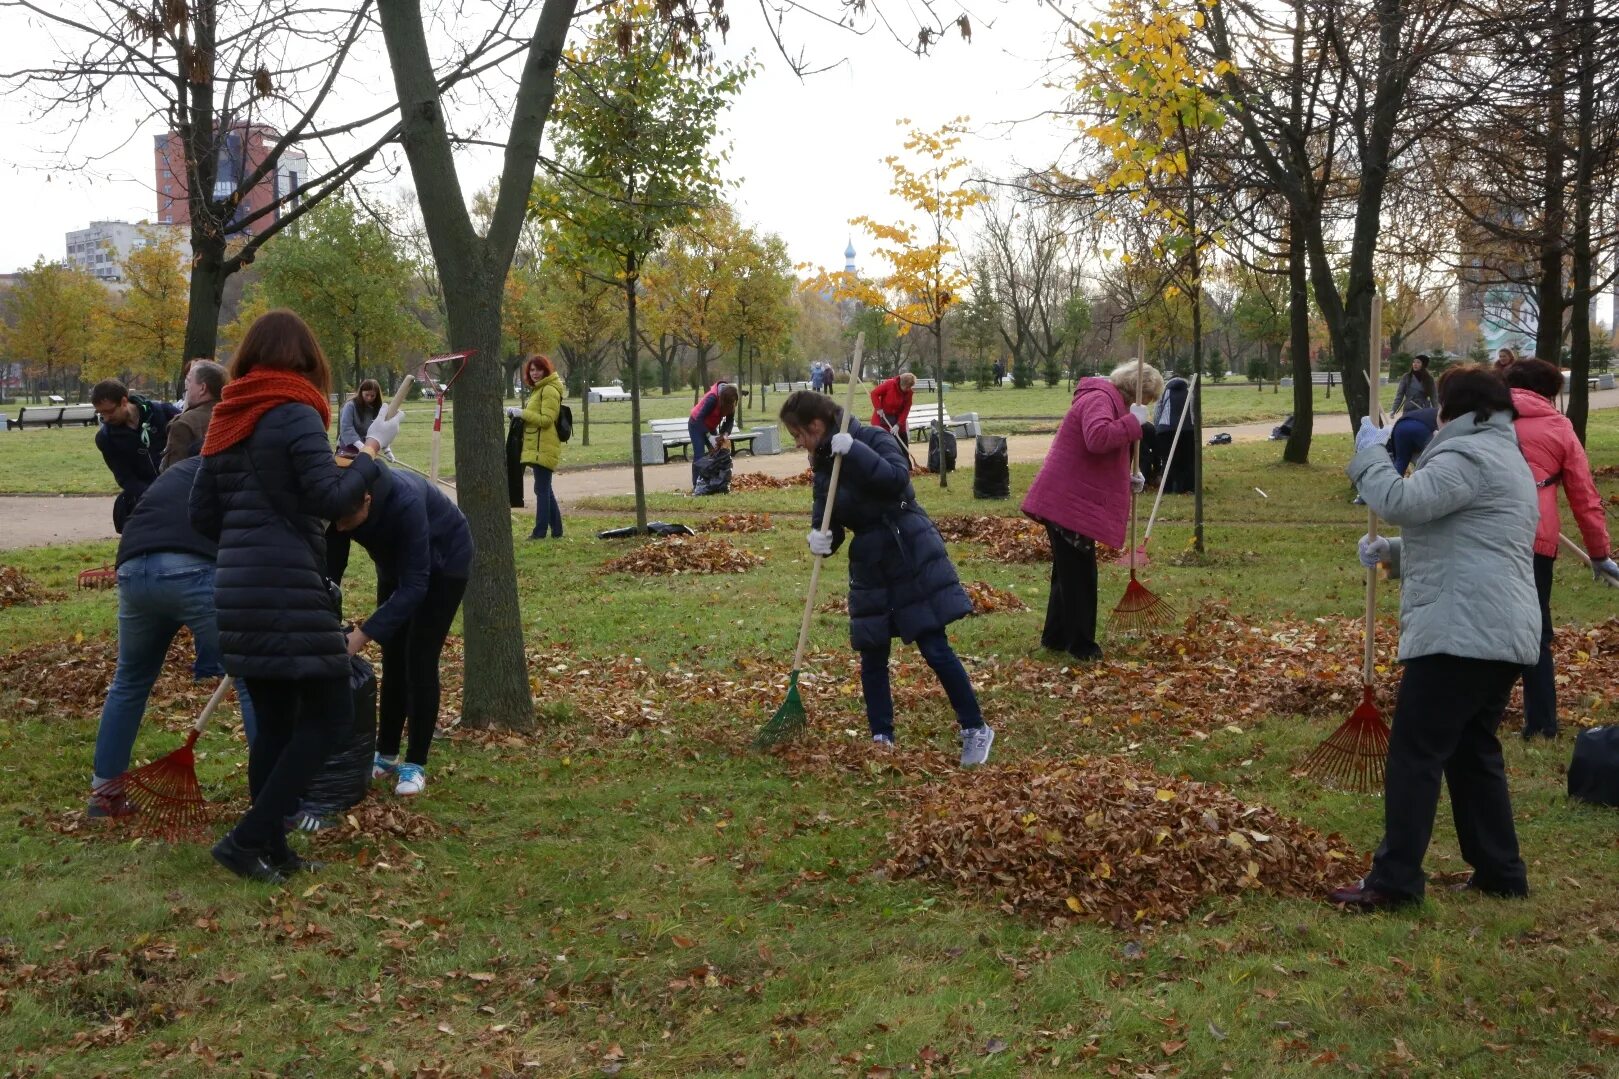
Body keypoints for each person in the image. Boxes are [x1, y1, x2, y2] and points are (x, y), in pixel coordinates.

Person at [190, 309, 402, 883]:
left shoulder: (226, 417)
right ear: (306, 359)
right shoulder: (295, 410)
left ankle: (274, 850)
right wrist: (373, 452)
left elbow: (200, 514)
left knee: (279, 726)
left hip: (237, 590)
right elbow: (332, 497)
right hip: (286, 590)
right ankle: (247, 840)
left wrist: (247, 543)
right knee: (332, 715)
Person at [1330, 365, 1541, 911]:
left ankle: (1394, 882)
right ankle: (1501, 871)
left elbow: (1403, 502)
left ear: (1454, 411)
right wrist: (1393, 554)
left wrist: (1371, 454)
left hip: (1461, 633)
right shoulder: (1505, 454)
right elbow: (1467, 540)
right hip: (1496, 630)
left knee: (1415, 753)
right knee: (1472, 751)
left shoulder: (1465, 454)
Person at [780, 390, 993, 766]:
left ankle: (975, 728)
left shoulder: (873, 438)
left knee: (933, 645)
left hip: (906, 546)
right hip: (870, 561)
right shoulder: (823, 463)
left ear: (816, 425)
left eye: (798, 434)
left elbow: (897, 479)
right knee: (872, 651)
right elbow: (828, 518)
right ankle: (882, 737)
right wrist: (821, 538)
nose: (798, 444)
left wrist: (856, 453)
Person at [88, 455, 259, 816]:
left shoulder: (182, 468)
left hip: (133, 570)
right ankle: (272, 800)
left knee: (130, 680)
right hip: (191, 569)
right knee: (251, 678)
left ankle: (104, 794)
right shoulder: (241, 470)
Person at [328, 463, 472, 797]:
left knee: (418, 659)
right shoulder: (339, 503)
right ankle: (387, 752)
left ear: (367, 500)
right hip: (395, 565)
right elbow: (331, 569)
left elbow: (416, 585)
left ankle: (415, 763)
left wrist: (362, 635)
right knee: (392, 655)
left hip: (443, 564)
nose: (339, 528)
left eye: (345, 522)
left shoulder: (405, 503)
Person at [1503, 358, 1618, 739]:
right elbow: (1584, 496)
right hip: (1536, 539)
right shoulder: (1559, 427)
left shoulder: (1483, 416)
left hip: (1483, 536)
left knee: (1483, 624)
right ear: (1550, 392)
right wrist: (1600, 554)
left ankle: (1474, 715)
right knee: (1535, 631)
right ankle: (1540, 724)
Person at [1021, 362, 1164, 663]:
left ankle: (1056, 637)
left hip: (1070, 498)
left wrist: (1128, 478)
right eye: (1147, 398)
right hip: (1066, 499)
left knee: (1067, 572)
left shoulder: (1112, 401)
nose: (1146, 404)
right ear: (1135, 389)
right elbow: (1097, 438)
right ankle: (1081, 645)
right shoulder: (1100, 398)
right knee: (1080, 574)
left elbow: (1102, 457)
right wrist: (1133, 424)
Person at [92, 378, 180, 532]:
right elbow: (125, 478)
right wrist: (154, 495)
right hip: (147, 503)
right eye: (100, 413)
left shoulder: (163, 413)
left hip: (180, 491)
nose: (105, 418)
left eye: (109, 411)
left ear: (124, 401)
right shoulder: (106, 439)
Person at [512, 354, 565, 539]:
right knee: (544, 489)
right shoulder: (539, 390)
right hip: (537, 446)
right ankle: (557, 531)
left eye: (538, 369)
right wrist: (519, 415)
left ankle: (540, 532)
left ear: (546, 370)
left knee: (541, 490)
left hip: (544, 446)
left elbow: (546, 420)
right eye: (532, 370)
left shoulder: (549, 390)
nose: (535, 373)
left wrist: (523, 414)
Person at [162, 359, 225, 470]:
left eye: (189, 381)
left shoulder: (183, 424)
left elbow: (173, 473)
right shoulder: (232, 415)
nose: (186, 387)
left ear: (202, 388)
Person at [688, 381, 738, 490]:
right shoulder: (712, 398)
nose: (728, 409)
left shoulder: (731, 400)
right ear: (722, 400)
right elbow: (700, 419)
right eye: (726, 407)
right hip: (696, 424)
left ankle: (715, 483)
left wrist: (724, 435)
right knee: (699, 455)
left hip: (710, 426)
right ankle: (697, 486)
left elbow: (729, 422)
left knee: (717, 453)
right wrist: (709, 436)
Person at [1153, 373, 1193, 493]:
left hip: (1166, 430)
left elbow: (1157, 411)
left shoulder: (1164, 392)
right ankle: (1188, 487)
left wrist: (1157, 428)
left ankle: (1168, 488)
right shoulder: (1190, 392)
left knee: (1168, 460)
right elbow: (1194, 412)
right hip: (1188, 430)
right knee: (1188, 459)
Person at [1388, 407, 1438, 476]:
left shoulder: (1432, 411)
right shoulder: (1448, 415)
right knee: (1430, 460)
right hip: (1420, 428)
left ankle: (1393, 484)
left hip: (1401, 426)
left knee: (1401, 461)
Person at [869, 371, 916, 442]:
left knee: (903, 445)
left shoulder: (909, 393)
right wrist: (878, 408)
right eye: (907, 387)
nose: (909, 389)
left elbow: (906, 410)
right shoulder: (889, 384)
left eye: (910, 387)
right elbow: (874, 394)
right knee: (884, 444)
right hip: (882, 419)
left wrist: (898, 425)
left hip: (898, 420)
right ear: (901, 383)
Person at [339, 379, 383, 453]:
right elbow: (346, 428)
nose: (369, 398)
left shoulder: (378, 408)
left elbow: (380, 430)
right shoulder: (350, 406)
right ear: (361, 392)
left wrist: (387, 449)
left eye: (372, 396)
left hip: (369, 448)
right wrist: (360, 445)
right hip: (349, 449)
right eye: (366, 395)